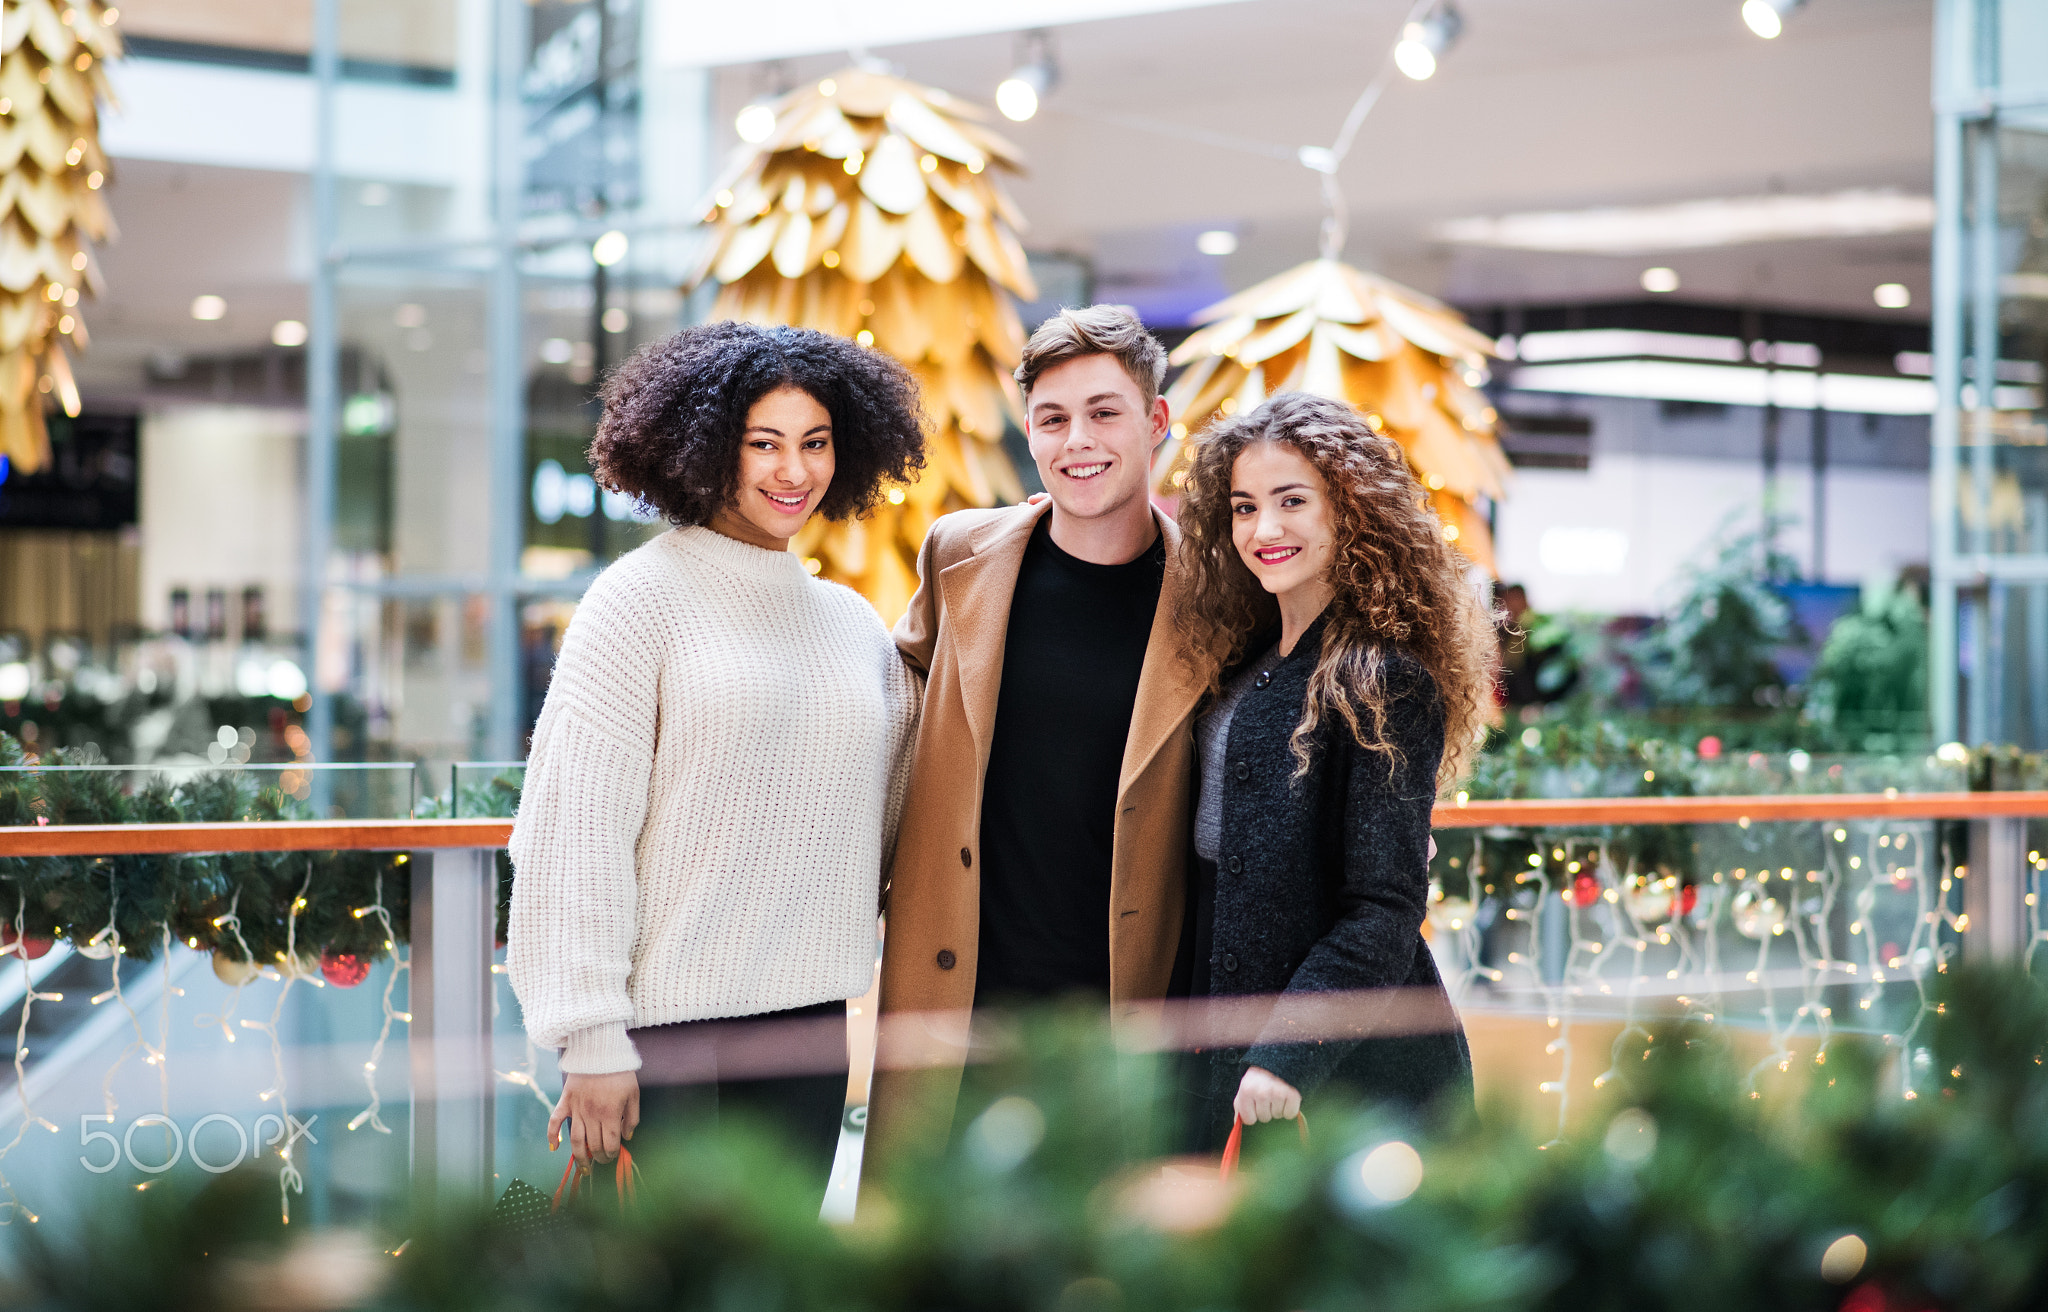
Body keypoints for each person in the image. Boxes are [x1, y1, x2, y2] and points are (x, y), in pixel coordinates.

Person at [506, 322, 924, 1201]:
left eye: (815, 443)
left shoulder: (851, 623)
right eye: (762, 444)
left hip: (813, 1027)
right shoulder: (636, 601)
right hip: (668, 1037)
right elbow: (574, 835)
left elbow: (888, 815)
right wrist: (591, 1039)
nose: (793, 471)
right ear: (701, 449)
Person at [863, 305, 1206, 1166]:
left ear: (1156, 422)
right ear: (1029, 432)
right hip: (957, 1004)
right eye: (1053, 418)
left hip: (1127, 1017)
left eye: (1103, 412)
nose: (1076, 440)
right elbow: (884, 705)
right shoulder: (959, 556)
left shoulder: (1217, 593)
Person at [1172, 391, 1496, 1146]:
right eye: (1245, 507)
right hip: (1234, 1035)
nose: (1265, 529)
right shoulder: (1250, 656)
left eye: (1293, 501)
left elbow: (1383, 907)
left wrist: (1288, 1055)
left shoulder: (1382, 677)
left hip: (1340, 1073)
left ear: (1350, 511)